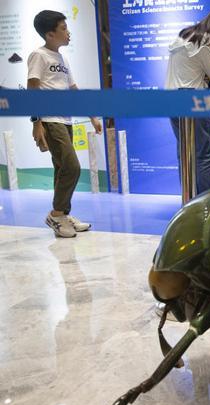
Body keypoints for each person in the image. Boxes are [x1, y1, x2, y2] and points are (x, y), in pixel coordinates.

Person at [27, 10, 102, 238]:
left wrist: (91, 116)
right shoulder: (38, 55)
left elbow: (73, 91)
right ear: (50, 34)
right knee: (72, 167)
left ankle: (63, 215)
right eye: (63, 29)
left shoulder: (62, 58)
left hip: (65, 119)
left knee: (62, 168)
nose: (68, 33)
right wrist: (36, 122)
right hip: (50, 120)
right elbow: (32, 89)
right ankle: (56, 214)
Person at [165, 6, 210, 194]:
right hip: (193, 98)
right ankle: (204, 203)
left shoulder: (184, 35)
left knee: (185, 153)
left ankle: (188, 199)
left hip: (170, 97)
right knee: (204, 154)